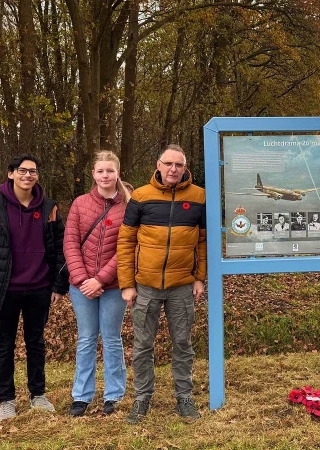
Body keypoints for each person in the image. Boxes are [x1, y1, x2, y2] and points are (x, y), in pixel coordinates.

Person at [0, 154, 68, 421]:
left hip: (39, 288)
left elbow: (60, 250)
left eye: (33, 171)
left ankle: (38, 394)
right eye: (22, 171)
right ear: (10, 173)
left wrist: (59, 284)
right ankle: (7, 400)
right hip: (4, 291)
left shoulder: (49, 208)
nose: (28, 176)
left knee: (36, 343)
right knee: (4, 345)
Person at [117, 144, 207, 424]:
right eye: (168, 164)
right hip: (145, 285)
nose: (173, 170)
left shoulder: (199, 197)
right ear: (158, 165)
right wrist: (127, 284)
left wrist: (200, 278)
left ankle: (184, 397)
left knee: (183, 343)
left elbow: (203, 241)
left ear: (185, 167)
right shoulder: (141, 197)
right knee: (143, 345)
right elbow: (126, 241)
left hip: (182, 285)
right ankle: (142, 398)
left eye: (178, 165)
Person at [63, 151, 132, 417]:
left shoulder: (128, 204)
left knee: (112, 338)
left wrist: (101, 278)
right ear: (93, 174)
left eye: (110, 171)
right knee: (87, 339)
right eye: (100, 171)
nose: (105, 175)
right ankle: (81, 396)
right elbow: (70, 243)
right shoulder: (80, 204)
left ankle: (113, 395)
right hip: (81, 286)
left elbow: (127, 247)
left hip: (114, 285)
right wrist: (83, 280)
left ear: (118, 173)